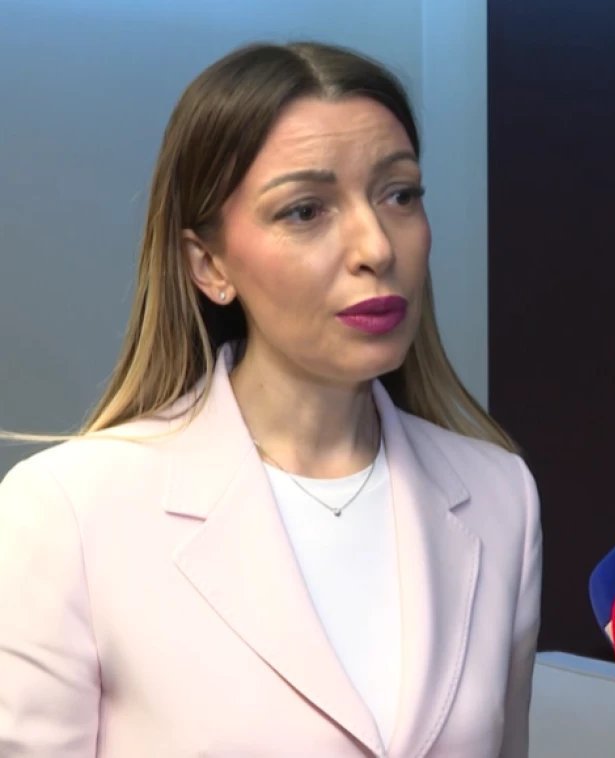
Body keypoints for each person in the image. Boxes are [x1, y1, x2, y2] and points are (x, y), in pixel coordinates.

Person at [0, 41, 541, 758]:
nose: (376, 247)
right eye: (306, 210)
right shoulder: (67, 510)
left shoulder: (500, 495)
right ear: (209, 264)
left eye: (400, 194)